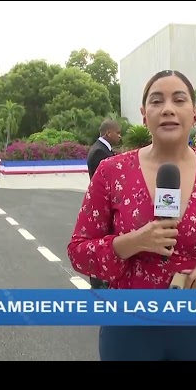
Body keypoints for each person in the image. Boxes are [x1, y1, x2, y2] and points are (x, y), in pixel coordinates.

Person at [67, 70, 196, 361]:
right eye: (157, 101)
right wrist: (132, 242)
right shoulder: (111, 172)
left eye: (179, 100)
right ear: (144, 115)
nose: (168, 108)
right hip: (130, 326)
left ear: (194, 114)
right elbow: (79, 251)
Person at [86, 119, 122, 290]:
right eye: (118, 133)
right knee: (103, 244)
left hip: (103, 206)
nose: (120, 136)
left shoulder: (100, 149)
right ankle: (100, 284)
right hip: (103, 207)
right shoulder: (100, 153)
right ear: (108, 133)